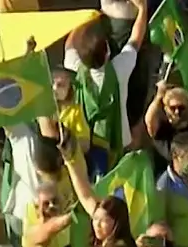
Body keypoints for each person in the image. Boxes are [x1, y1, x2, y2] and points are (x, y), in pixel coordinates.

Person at [62, 0, 148, 179]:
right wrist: (142, 9)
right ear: (108, 52)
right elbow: (136, 39)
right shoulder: (119, 70)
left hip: (88, 138)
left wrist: (87, 19)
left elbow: (69, 44)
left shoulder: (75, 67)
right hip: (119, 138)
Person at [145, 84, 188, 167]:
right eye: (173, 108)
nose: (177, 112)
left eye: (181, 108)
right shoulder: (162, 130)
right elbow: (150, 122)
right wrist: (159, 96)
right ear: (166, 109)